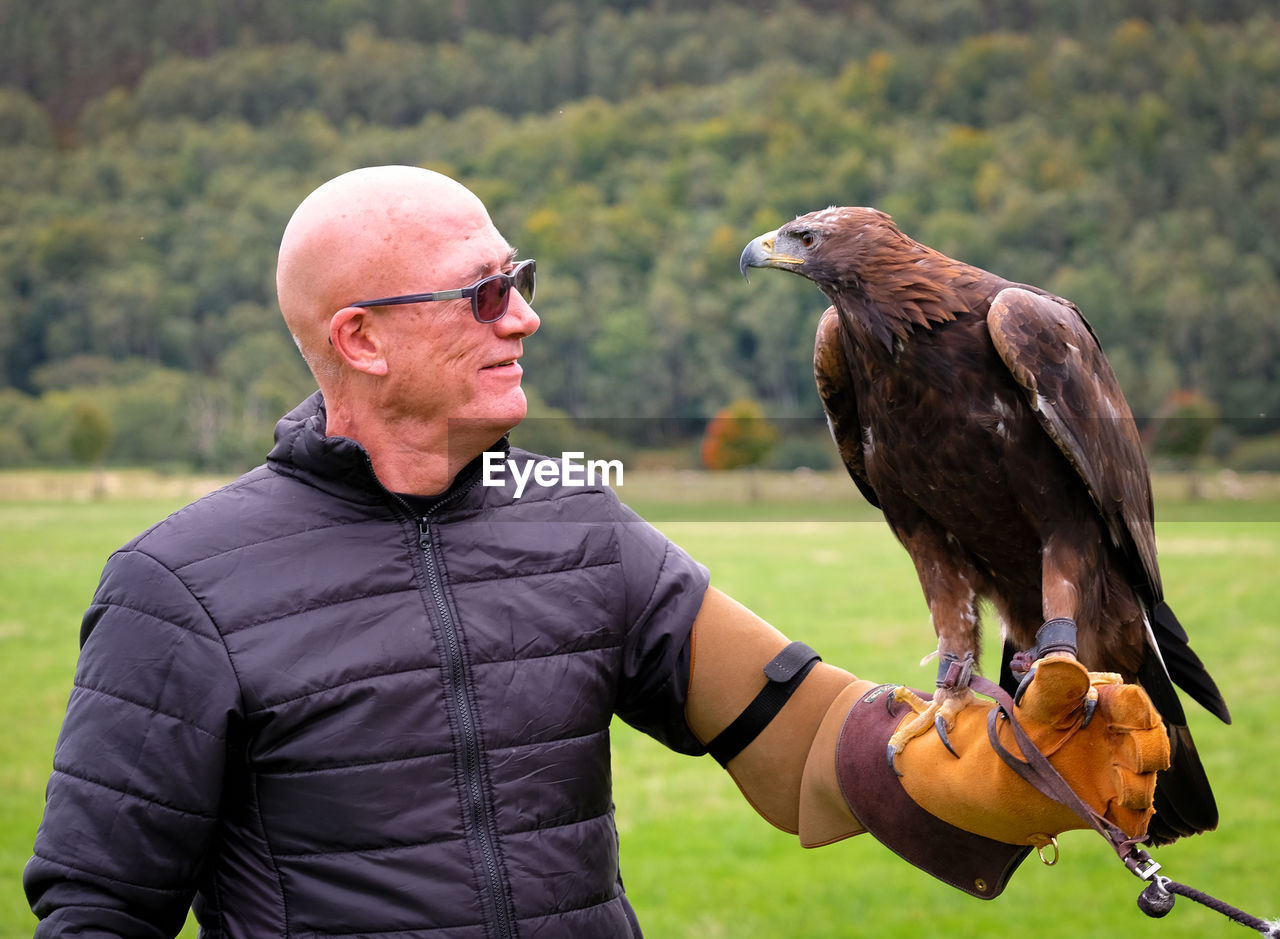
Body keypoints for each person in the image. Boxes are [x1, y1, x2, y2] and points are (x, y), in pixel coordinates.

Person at [25, 166, 1170, 937]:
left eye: (516, 282)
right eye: (480, 295)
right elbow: (96, 909)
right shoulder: (181, 588)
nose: (521, 316)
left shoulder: (576, 528)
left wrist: (978, 764)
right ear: (360, 339)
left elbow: (804, 742)